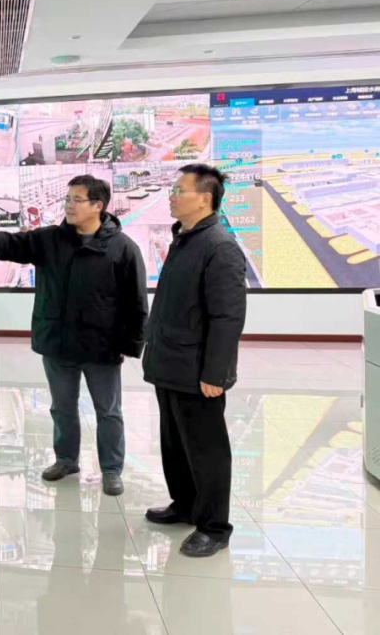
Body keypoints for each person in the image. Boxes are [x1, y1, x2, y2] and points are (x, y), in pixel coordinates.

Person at [0, 174, 147, 496]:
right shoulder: (50, 239)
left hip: (101, 346)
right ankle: (66, 459)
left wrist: (131, 344)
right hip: (57, 341)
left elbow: (136, 301)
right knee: (62, 407)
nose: (69, 206)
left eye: (77, 200)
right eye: (67, 199)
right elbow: (16, 245)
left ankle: (111, 469)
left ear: (98, 206)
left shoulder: (122, 248)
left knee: (108, 411)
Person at [142, 163, 246, 558]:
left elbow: (227, 317)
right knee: (175, 444)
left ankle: (214, 527)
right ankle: (185, 505)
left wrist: (215, 373)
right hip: (170, 362)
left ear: (204, 198)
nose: (171, 195)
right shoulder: (184, 239)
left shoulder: (219, 246)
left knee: (206, 450)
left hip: (197, 369)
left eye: (178, 190)